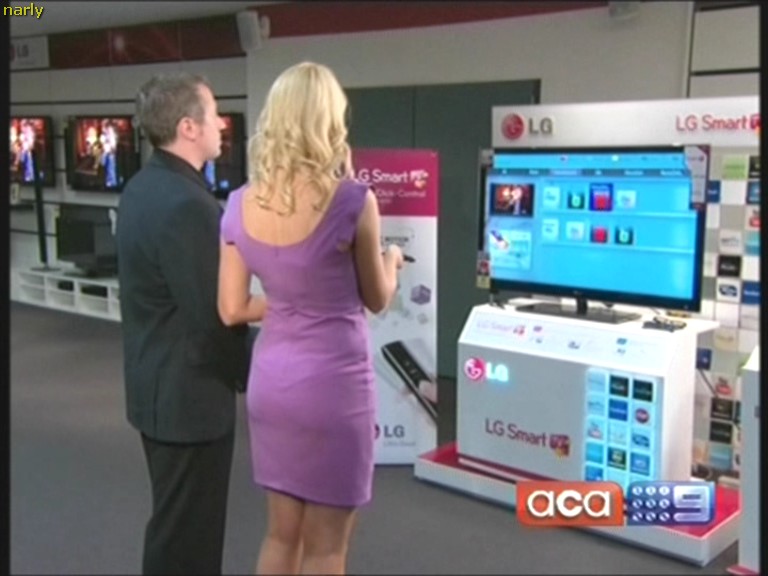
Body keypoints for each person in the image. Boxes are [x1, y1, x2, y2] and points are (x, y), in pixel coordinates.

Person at [217, 61, 403, 575]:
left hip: (272, 383)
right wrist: (391, 261)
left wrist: (290, 301)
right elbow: (376, 298)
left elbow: (231, 306)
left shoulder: (238, 204)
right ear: (330, 121)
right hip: (332, 388)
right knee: (326, 548)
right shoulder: (353, 201)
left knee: (281, 536)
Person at [116, 72, 249, 575]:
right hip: (188, 401)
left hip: (156, 389)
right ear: (188, 127)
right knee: (188, 539)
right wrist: (250, 371)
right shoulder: (188, 205)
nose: (222, 125)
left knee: (174, 528)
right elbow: (214, 315)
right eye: (214, 115)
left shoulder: (142, 186)